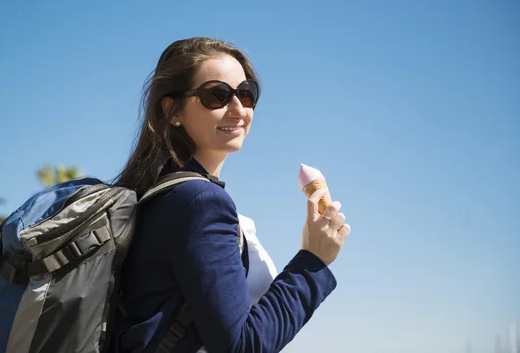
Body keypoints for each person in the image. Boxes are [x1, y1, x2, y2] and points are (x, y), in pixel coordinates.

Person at [111, 37, 351, 352]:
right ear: (172, 111)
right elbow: (242, 346)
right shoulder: (200, 201)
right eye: (216, 95)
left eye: (246, 94)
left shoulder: (158, 198)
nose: (238, 109)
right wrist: (313, 262)